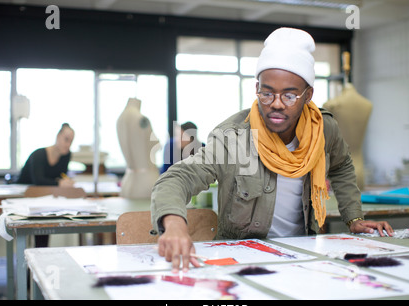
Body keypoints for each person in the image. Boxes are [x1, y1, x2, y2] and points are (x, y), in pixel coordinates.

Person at [150, 27, 394, 273]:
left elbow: (341, 166)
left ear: (308, 95)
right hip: (244, 258)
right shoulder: (234, 137)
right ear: (257, 88)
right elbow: (178, 177)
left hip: (302, 254)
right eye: (267, 93)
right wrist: (174, 224)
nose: (276, 104)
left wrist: (354, 218)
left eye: (289, 95)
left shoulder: (323, 129)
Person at [117, 97, 160, 199]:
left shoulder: (121, 118)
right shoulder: (141, 119)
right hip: (145, 181)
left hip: (128, 180)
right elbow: (154, 145)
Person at [17, 123, 75, 187]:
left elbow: (61, 176)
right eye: (66, 139)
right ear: (58, 136)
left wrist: (67, 182)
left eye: (71, 141)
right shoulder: (38, 155)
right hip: (24, 191)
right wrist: (59, 183)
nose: (68, 145)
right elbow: (38, 181)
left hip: (47, 193)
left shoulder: (66, 155)